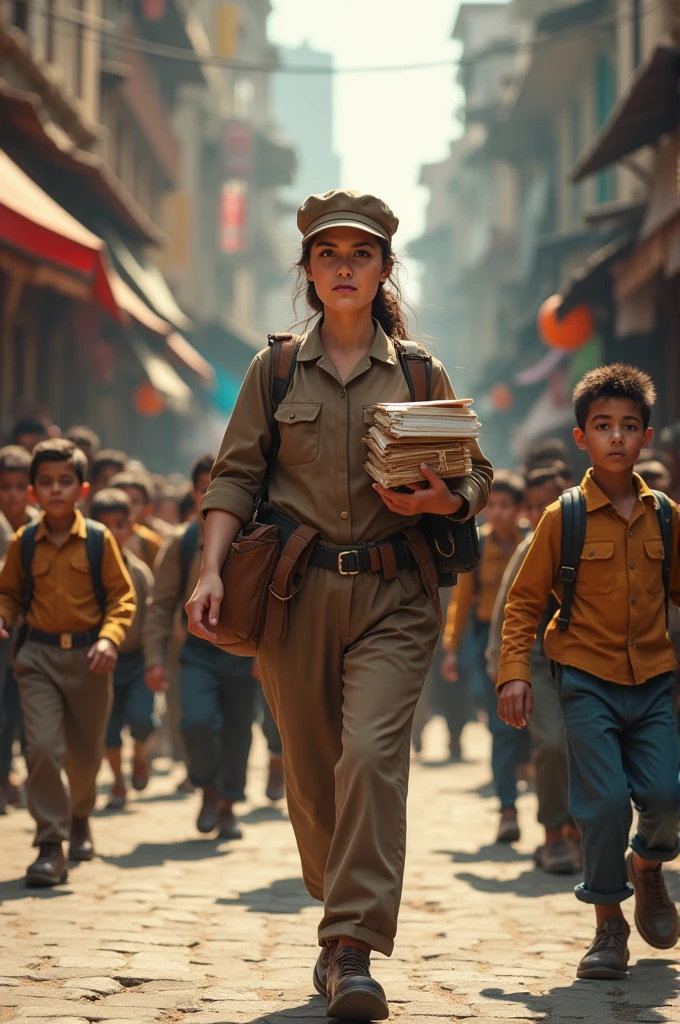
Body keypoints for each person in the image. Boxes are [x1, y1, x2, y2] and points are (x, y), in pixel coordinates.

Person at [186, 189, 493, 1020]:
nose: (344, 266)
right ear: (310, 273)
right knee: (313, 775)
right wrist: (209, 573)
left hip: (398, 594)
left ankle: (352, 946)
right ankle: (338, 919)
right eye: (329, 254)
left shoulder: (423, 371)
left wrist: (441, 501)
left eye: (361, 253)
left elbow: (476, 474)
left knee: (370, 758)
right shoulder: (275, 367)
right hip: (296, 593)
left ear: (386, 269)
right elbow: (236, 478)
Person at [498, 364, 680, 980]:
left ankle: (648, 868)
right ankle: (608, 925)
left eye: (629, 426)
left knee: (665, 795)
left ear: (646, 437)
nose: (616, 438)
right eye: (603, 426)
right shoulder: (563, 517)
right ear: (582, 438)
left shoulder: (667, 518)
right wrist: (513, 674)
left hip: (654, 681)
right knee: (601, 806)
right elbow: (523, 601)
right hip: (584, 680)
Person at [0, 439, 135, 886]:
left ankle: (79, 817)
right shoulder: (23, 543)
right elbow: (8, 593)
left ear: (82, 488)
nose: (55, 490)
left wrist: (110, 640)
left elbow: (122, 597)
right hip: (37, 657)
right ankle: (49, 845)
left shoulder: (98, 540)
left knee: (84, 755)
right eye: (46, 482)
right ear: (35, 492)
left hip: (90, 660)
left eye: (65, 481)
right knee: (42, 746)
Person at [145, 455, 257, 841]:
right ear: (193, 494)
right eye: (204, 488)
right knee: (196, 721)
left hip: (244, 653)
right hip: (195, 652)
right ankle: (207, 788)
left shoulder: (257, 536)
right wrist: (154, 660)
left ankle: (228, 806)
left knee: (238, 730)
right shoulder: (182, 542)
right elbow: (160, 606)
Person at [486, 464, 581, 873]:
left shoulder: (598, 534)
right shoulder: (532, 546)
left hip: (591, 657)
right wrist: (505, 668)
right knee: (553, 743)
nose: (549, 512)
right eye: (540, 505)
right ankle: (554, 835)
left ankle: (585, 832)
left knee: (589, 746)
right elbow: (509, 609)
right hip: (539, 661)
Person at [441, 470, 528, 842]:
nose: (497, 513)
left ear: (520, 509)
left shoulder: (535, 541)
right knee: (494, 717)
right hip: (482, 638)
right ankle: (507, 806)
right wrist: (451, 649)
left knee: (522, 725)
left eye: (505, 506)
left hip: (526, 639)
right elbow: (461, 601)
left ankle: (516, 798)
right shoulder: (476, 544)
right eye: (490, 506)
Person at [91, 488, 157, 810]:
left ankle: (140, 753)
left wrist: (153, 660)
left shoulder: (139, 572)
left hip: (136, 658)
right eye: (105, 527)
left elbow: (152, 619)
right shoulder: (86, 573)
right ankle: (118, 782)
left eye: (120, 525)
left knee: (143, 719)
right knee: (109, 727)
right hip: (99, 661)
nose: (113, 534)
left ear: (130, 526)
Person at [0, 446, 40, 812]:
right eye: (4, 486)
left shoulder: (41, 526)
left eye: (18, 486)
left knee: (25, 705)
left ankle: (32, 777)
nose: (11, 494)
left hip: (34, 632)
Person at [109, 471, 164, 569]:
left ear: (147, 509)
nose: (128, 507)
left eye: (134, 502)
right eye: (122, 501)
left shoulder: (152, 543)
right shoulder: (96, 536)